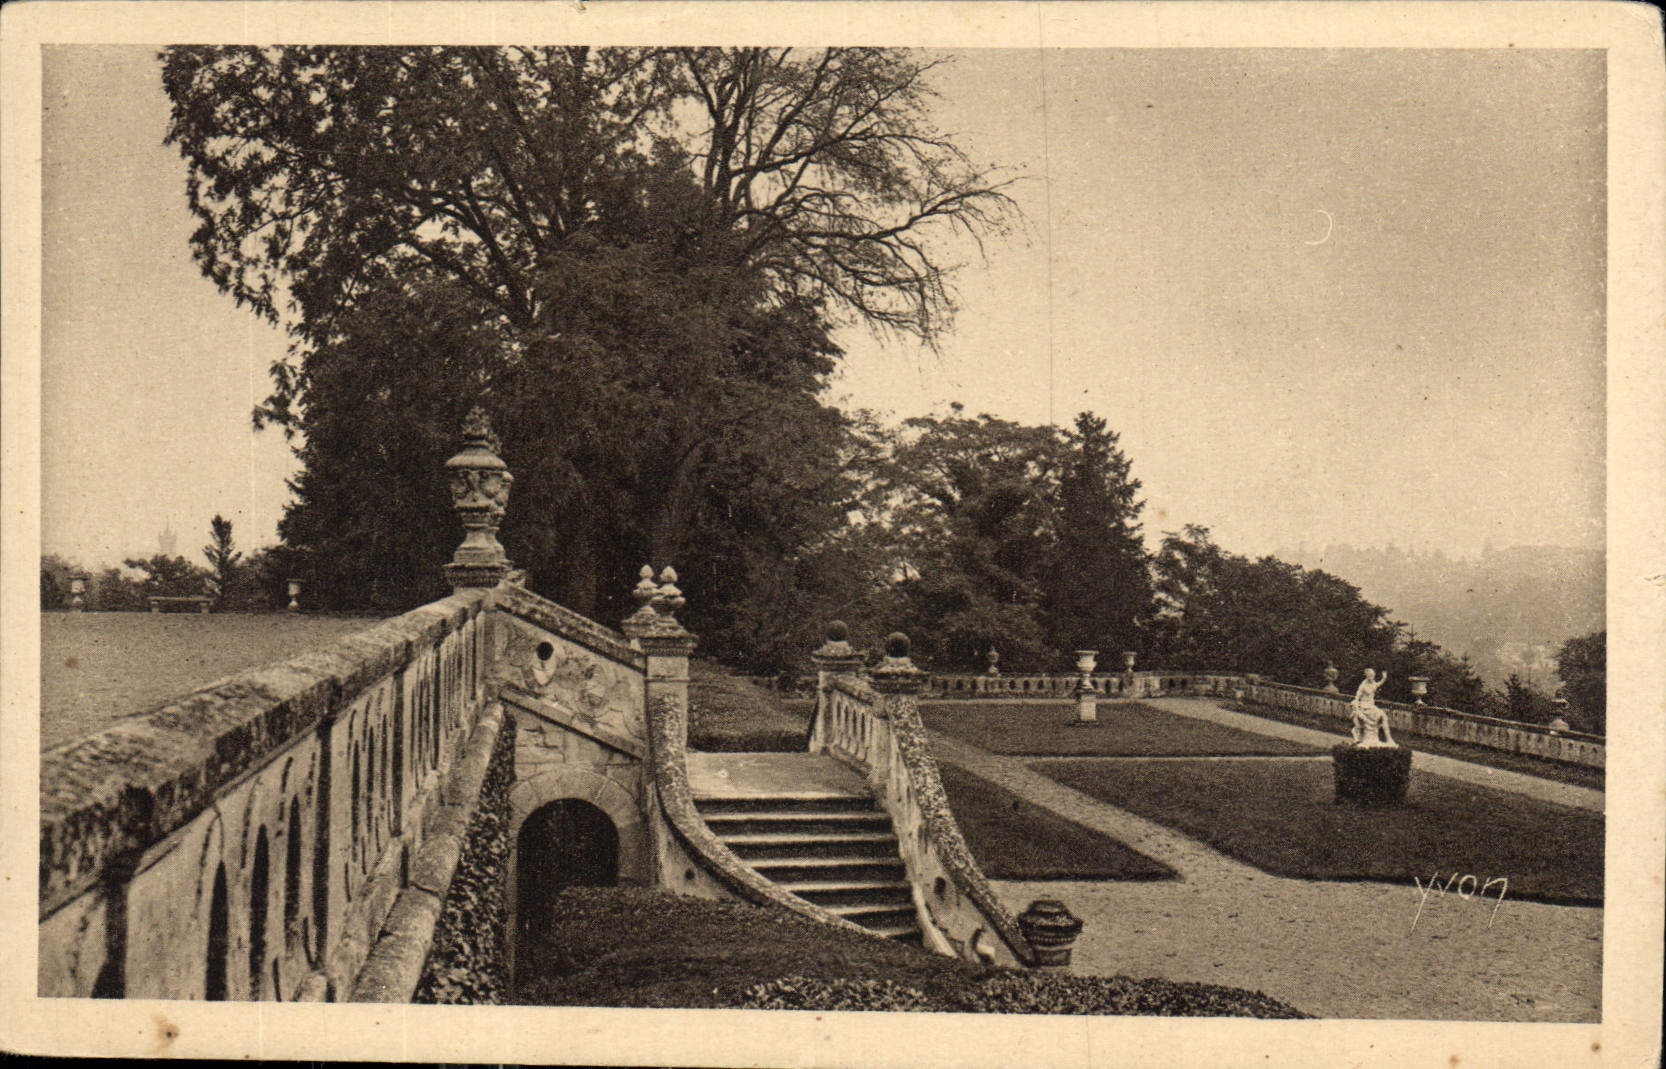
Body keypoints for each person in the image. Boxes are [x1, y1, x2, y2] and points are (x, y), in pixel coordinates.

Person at [1350, 668, 1395, 747]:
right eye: (1371, 675)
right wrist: (1356, 708)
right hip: (1365, 707)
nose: (1372, 677)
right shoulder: (1363, 686)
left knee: (1384, 716)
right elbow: (1357, 698)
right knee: (1380, 716)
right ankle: (1383, 739)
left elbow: (1378, 684)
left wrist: (1384, 678)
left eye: (1373, 675)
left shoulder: (1373, 683)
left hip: (1371, 706)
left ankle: (1389, 739)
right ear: (1367, 676)